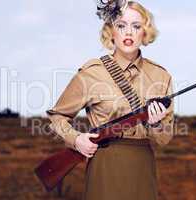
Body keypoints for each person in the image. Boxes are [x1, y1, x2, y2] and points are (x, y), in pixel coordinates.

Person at [46, 1, 174, 199]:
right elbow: (57, 117)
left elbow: (164, 139)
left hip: (142, 165)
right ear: (110, 31)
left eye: (136, 26)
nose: (128, 33)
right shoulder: (92, 73)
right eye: (121, 25)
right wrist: (76, 139)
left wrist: (156, 124)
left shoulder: (161, 76)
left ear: (145, 32)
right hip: (104, 164)